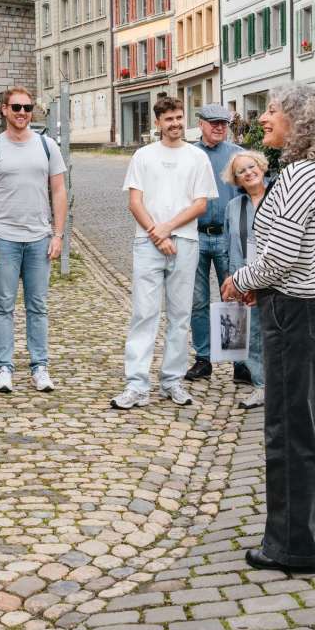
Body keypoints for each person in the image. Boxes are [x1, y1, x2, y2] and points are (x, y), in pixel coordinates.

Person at [221, 84, 315, 574]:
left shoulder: (297, 178)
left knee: (290, 427)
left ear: (297, 123)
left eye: (272, 110)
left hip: (296, 312)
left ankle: (291, 546)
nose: (264, 117)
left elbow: (281, 256)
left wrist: (242, 280)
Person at [111, 96, 218, 410]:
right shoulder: (143, 156)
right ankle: (136, 385)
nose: (174, 124)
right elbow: (135, 202)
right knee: (144, 313)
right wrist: (157, 236)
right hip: (147, 243)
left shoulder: (197, 158)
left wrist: (167, 228)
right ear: (157, 123)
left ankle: (172, 381)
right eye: (168, 119)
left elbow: (201, 203)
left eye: (178, 117)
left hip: (184, 242)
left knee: (181, 316)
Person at [0, 86, 67, 395]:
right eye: (16, 107)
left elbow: (58, 191)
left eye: (27, 108)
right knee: (3, 305)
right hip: (4, 237)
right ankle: (4, 367)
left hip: (39, 237)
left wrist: (58, 234)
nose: (23, 113)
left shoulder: (47, 146)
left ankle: (39, 366)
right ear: (4, 110)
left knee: (38, 306)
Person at [186, 103, 242, 385]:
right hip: (194, 234)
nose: (219, 127)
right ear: (201, 125)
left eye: (224, 123)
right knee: (197, 301)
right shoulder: (188, 154)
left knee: (232, 297)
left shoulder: (238, 156)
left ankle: (238, 362)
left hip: (227, 237)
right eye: (213, 123)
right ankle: (203, 358)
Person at [221, 150, 269, 410]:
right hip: (245, 277)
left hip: (274, 275)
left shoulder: (279, 197)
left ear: (261, 167)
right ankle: (260, 386)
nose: (249, 172)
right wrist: (232, 278)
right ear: (237, 180)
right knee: (251, 334)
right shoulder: (233, 207)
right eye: (242, 171)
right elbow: (230, 246)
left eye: (252, 166)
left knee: (277, 333)